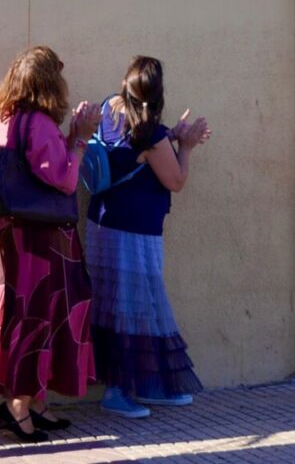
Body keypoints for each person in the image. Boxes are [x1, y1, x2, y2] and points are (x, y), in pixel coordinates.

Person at [0, 45, 100, 442]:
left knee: (22, 316)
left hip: (10, 234)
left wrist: (67, 137)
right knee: (38, 319)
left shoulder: (2, 121)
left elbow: (34, 169)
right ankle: (18, 407)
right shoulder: (37, 124)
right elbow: (64, 180)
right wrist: (80, 140)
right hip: (42, 239)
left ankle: (33, 401)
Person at [85, 56, 211, 418]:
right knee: (133, 307)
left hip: (102, 224)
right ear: (158, 94)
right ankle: (118, 390)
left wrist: (169, 137)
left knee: (117, 304)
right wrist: (184, 147)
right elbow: (176, 181)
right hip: (135, 232)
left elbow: (128, 154)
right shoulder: (150, 134)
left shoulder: (108, 110)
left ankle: (143, 383)